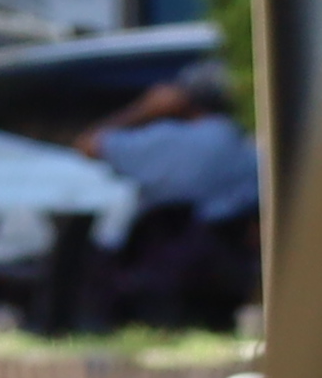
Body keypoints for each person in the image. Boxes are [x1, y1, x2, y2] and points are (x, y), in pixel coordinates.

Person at [76, 66, 262, 332]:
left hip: (159, 275)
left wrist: (144, 109)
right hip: (226, 276)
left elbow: (88, 143)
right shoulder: (242, 145)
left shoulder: (165, 141)